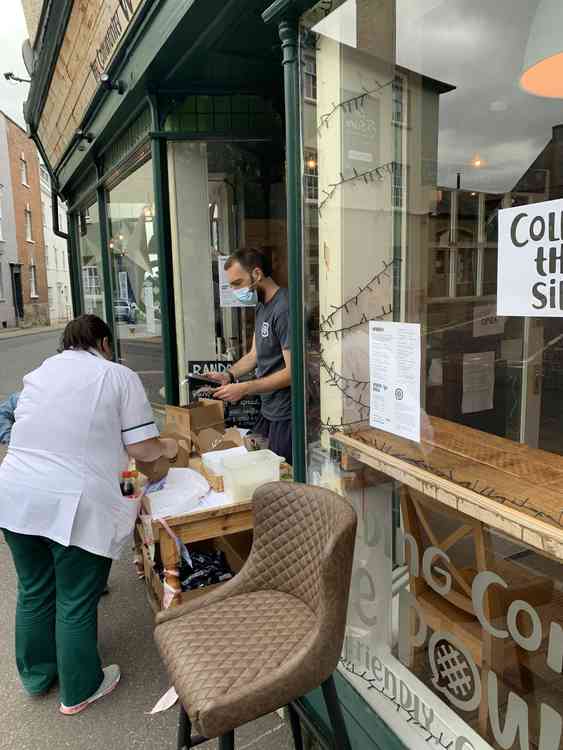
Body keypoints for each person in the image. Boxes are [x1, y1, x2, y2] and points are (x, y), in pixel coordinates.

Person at [0, 315, 177, 715]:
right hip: (70, 504)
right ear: (104, 342)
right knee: (75, 597)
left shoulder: (40, 374)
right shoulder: (116, 376)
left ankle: (38, 676)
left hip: (15, 497)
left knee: (34, 589)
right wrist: (167, 455)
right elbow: (144, 451)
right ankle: (80, 688)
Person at [210, 249, 292, 462]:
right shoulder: (262, 306)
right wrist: (228, 375)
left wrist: (245, 388)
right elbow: (254, 355)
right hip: (268, 409)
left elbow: (292, 373)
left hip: (286, 415)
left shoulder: (284, 308)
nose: (236, 290)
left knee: (280, 477)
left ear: (256, 274)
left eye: (237, 283)